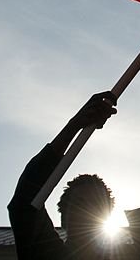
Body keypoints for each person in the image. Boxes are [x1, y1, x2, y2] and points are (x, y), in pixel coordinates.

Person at [9, 91, 119, 260]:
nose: (87, 211)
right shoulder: (48, 255)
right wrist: (74, 126)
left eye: (95, 204)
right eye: (80, 204)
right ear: (63, 217)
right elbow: (26, 203)